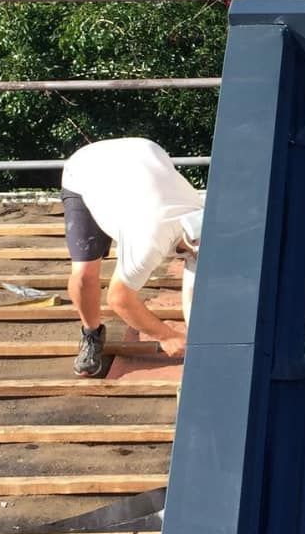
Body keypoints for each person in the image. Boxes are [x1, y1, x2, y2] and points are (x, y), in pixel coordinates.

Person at [60, 137, 204, 378]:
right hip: (87, 169)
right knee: (85, 276)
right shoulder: (149, 241)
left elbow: (197, 276)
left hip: (143, 152)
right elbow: (119, 299)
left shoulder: (202, 214)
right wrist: (166, 335)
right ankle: (91, 334)